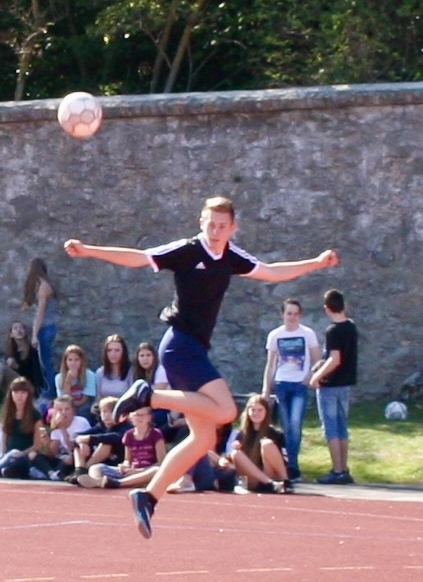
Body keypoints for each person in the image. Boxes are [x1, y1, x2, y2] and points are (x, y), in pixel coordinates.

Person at [64, 196, 339, 537]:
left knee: (203, 437)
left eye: (222, 226)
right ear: (201, 222)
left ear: (233, 228)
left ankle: (148, 496)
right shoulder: (187, 250)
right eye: (210, 224)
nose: (215, 231)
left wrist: (316, 263)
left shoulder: (232, 256)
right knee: (225, 411)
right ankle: (150, 396)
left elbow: (272, 272)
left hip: (194, 349)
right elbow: (138, 258)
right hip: (179, 346)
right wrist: (89, 249)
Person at [263, 298, 322, 481]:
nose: (292, 317)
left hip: (299, 385)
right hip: (282, 383)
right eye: (289, 313)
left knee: (296, 424)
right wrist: (266, 388)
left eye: (296, 313)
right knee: (286, 426)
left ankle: (294, 466)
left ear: (300, 315)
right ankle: (286, 465)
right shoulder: (275, 335)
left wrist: (309, 377)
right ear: (282, 315)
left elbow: (318, 359)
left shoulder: (307, 334)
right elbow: (270, 364)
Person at [306, 290, 359, 484]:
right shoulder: (351, 327)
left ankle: (337, 470)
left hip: (330, 385)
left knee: (331, 428)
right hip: (345, 383)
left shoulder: (333, 331)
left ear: (327, 308)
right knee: (342, 427)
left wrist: (316, 377)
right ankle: (343, 468)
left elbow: (335, 359)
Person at [77, 403, 168, 488]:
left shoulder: (156, 434)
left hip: (146, 471)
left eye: (142, 415)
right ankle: (100, 482)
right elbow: (127, 459)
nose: (139, 418)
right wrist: (125, 466)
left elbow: (161, 462)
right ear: (131, 418)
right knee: (96, 468)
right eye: (136, 415)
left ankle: (118, 483)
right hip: (131, 471)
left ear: (149, 417)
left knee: (156, 470)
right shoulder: (128, 435)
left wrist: (138, 471)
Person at [227, 393, 290, 493]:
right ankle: (266, 483)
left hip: (270, 472)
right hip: (251, 478)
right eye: (253, 410)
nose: (256, 413)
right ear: (247, 412)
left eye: (260, 410)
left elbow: (285, 460)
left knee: (267, 444)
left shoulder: (276, 433)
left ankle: (286, 483)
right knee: (235, 453)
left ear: (266, 412)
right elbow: (230, 462)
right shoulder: (241, 434)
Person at [22, 257, 58, 379]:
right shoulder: (44, 286)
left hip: (46, 328)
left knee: (46, 363)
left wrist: (34, 334)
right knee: (45, 362)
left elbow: (40, 313)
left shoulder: (43, 288)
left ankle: (49, 393)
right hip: (48, 327)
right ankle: (47, 390)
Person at [50, 343, 97, 420]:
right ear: (65, 361)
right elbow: (63, 399)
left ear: (81, 361)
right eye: (70, 360)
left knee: (83, 410)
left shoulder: (89, 375)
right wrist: (68, 380)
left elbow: (85, 399)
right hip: (66, 406)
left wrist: (72, 406)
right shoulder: (59, 377)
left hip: (83, 405)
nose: (73, 363)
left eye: (76, 360)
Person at [2, 320, 47, 395]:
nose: (19, 330)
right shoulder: (11, 351)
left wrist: (17, 367)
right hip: (14, 382)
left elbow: (35, 373)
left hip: (27, 383)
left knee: (1, 367)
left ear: (25, 332)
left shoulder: (32, 350)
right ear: (11, 334)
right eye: (15, 328)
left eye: (21, 328)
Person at [95, 334, 135, 401]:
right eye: (109, 350)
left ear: (123, 352)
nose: (113, 354)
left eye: (117, 350)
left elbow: (133, 397)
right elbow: (98, 398)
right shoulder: (100, 372)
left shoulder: (132, 371)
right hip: (104, 409)